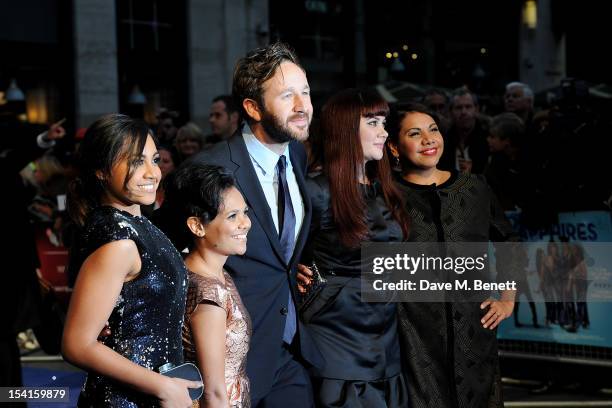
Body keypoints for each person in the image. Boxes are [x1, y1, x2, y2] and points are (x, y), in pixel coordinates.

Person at [162, 42, 322, 407]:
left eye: (306, 92)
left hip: (290, 351)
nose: (303, 107)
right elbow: (162, 248)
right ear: (252, 107)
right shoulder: (207, 168)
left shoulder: (296, 152)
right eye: (287, 96)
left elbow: (277, 249)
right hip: (228, 360)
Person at [61, 114, 200, 407]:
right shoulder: (119, 241)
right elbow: (77, 344)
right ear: (100, 170)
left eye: (154, 159)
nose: (152, 172)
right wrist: (163, 386)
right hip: (125, 400)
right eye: (137, 162)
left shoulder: (139, 226)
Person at [386, 103, 516, 408]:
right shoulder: (387, 196)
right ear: (394, 146)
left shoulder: (474, 188)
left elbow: (508, 240)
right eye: (415, 133)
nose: (428, 140)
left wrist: (507, 298)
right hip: (415, 338)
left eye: (433, 130)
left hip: (474, 331)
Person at [299, 88, 411, 407]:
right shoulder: (316, 192)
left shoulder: (385, 190)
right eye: (373, 122)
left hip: (386, 336)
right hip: (336, 334)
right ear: (346, 129)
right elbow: (281, 256)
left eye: (383, 122)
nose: (384, 132)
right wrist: (294, 273)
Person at [163, 162, 252, 407]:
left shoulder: (217, 274)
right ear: (197, 226)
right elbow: (213, 392)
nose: (245, 223)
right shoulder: (208, 292)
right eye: (233, 216)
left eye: (245, 212)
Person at [0, 118, 65, 393]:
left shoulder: (7, 171)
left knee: (4, 341)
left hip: (12, 266)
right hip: (14, 265)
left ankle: (10, 398)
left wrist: (43, 140)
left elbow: (14, 157)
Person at [439, 88, 490, 174]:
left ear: (476, 109)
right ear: (451, 112)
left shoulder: (488, 138)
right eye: (458, 108)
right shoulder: (443, 140)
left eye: (468, 107)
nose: (464, 112)